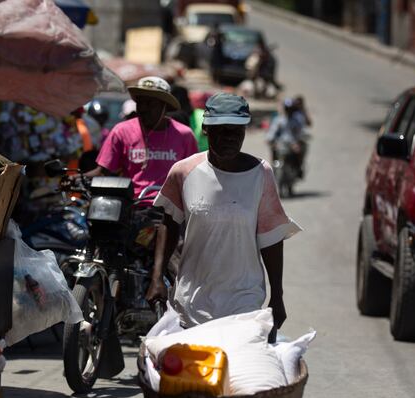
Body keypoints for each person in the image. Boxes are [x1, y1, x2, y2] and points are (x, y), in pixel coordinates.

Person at [146, 93, 301, 337]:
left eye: (236, 131)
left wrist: (277, 297)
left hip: (244, 301)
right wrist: (156, 277)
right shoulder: (183, 172)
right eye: (222, 130)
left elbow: (271, 240)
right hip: (192, 302)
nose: (229, 138)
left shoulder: (261, 174)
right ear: (206, 129)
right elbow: (168, 224)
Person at [90, 76, 198, 197]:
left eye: (150, 103)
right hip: (132, 206)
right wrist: (77, 179)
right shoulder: (121, 131)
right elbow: (103, 172)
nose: (143, 108)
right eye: (140, 102)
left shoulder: (184, 135)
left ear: (165, 107)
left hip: (170, 209)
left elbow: (193, 177)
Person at [266, 98, 308, 178]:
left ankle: (298, 168)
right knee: (273, 149)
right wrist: (270, 139)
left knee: (300, 151)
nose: (289, 111)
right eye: (287, 109)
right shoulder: (279, 120)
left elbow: (300, 132)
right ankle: (274, 166)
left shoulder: (297, 120)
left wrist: (297, 142)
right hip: (281, 143)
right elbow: (273, 130)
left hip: (293, 144)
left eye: (290, 109)